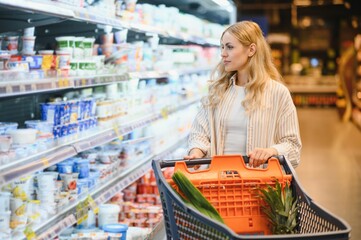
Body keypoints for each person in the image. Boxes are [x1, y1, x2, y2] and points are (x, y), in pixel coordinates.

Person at [184, 21, 302, 168]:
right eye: (222, 47)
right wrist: (197, 151)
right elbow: (200, 132)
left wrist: (271, 151)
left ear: (251, 50)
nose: (223, 53)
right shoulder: (218, 91)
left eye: (230, 47)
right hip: (220, 183)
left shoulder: (278, 93)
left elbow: (293, 147)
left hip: (260, 185)